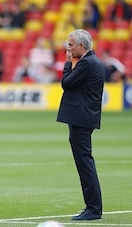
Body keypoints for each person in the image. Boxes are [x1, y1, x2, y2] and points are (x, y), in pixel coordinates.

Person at [56, 29, 104, 221]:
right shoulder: (93, 62)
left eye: (70, 45)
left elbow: (66, 83)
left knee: (85, 164)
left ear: (81, 46)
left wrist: (67, 63)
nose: (68, 49)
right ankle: (93, 207)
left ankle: (93, 208)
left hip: (81, 118)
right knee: (85, 163)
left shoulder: (86, 63)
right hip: (84, 117)